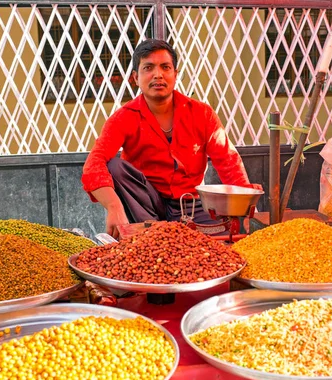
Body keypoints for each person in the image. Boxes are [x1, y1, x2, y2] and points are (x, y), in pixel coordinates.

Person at [82, 39, 260, 239]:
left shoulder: (201, 113)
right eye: (148, 67)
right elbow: (94, 163)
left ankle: (165, 237)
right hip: (146, 206)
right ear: (135, 77)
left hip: (192, 205)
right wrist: (113, 206)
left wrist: (245, 205)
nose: (157, 74)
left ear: (175, 74)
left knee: (224, 241)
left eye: (165, 67)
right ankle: (151, 236)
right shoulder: (124, 117)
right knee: (115, 166)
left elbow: (228, 160)